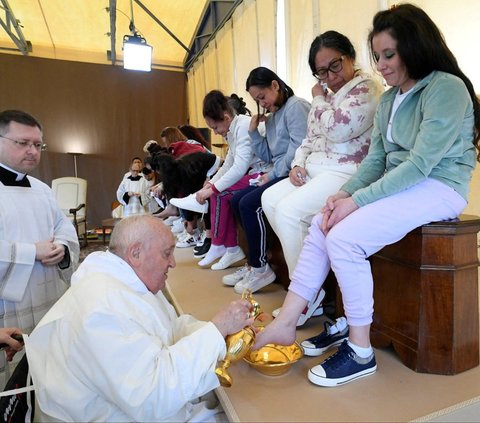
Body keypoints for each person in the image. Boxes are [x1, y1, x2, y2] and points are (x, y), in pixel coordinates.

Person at [253, 3, 480, 388]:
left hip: (440, 187)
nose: (382, 65)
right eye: (377, 56)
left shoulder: (446, 88)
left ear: (415, 46)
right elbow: (376, 160)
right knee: (324, 222)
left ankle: (360, 351)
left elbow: (421, 165)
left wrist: (355, 201)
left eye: (389, 54)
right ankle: (287, 321)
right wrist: (342, 194)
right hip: (405, 183)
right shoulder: (391, 99)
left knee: (344, 236)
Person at [25, 215, 255, 422]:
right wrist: (216, 329)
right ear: (136, 253)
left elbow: (173, 327)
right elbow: (152, 398)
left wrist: (226, 333)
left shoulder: (127, 281)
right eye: (167, 253)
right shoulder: (102, 307)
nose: (173, 263)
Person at [260, 32, 383, 323]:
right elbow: (309, 137)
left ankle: (304, 294)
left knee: (290, 212)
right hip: (315, 168)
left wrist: (318, 100)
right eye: (321, 72)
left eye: (335, 66)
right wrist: (297, 163)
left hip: (347, 170)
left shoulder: (367, 88)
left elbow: (338, 129)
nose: (329, 76)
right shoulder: (327, 96)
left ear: (351, 57)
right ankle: (310, 283)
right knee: (269, 198)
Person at [0, 109, 79, 388]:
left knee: (47, 372)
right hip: (8, 307)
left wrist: (63, 248)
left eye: (37, 144)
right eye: (22, 143)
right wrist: (30, 252)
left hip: (48, 294)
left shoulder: (42, 189)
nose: (32, 151)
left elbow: (64, 228)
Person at [224, 67, 310, 294]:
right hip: (279, 170)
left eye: (262, 97)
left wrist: (271, 175)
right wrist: (254, 132)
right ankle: (256, 262)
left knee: (249, 203)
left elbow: (299, 147)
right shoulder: (271, 117)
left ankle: (260, 266)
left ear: (275, 85)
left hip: (295, 171)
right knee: (236, 200)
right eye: (257, 101)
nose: (262, 104)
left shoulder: (296, 106)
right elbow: (269, 156)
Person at [171, 91, 271, 270]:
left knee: (220, 193)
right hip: (252, 172)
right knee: (218, 191)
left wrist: (212, 189)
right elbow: (228, 164)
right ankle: (228, 247)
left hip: (263, 172)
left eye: (215, 128)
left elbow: (239, 168)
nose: (216, 133)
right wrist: (210, 183)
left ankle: (221, 245)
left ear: (226, 117)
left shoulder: (242, 127)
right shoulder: (233, 129)